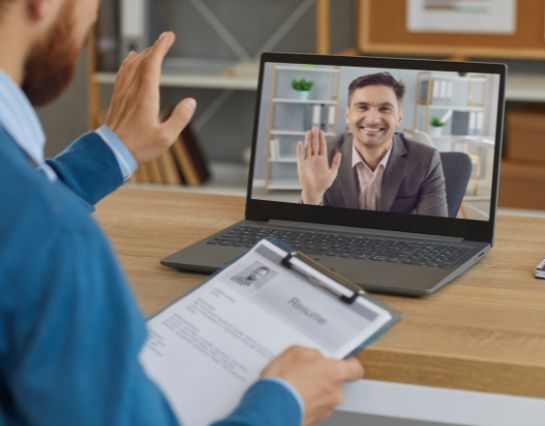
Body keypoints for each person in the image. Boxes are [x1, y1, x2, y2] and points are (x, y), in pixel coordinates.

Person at [0, 0, 363, 425]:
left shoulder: (32, 220)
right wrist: (284, 403)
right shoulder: (54, 236)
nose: (95, 15)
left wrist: (110, 152)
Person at [296, 72, 448, 217]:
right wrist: (312, 196)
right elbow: (308, 229)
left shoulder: (426, 160)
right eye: (362, 107)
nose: (373, 119)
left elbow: (435, 229)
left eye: (385, 109)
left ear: (399, 117)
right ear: (348, 115)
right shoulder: (324, 155)